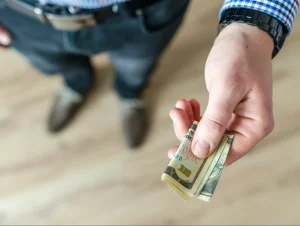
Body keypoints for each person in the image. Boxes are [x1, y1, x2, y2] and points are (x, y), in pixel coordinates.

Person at [0, 0, 298, 166]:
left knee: (136, 68)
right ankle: (77, 85)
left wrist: (254, 23)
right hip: (21, 15)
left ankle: (130, 95)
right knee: (54, 65)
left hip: (144, 10)